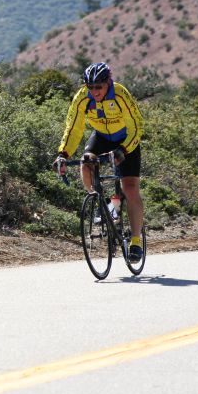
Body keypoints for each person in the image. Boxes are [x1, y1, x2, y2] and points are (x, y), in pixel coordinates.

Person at [53, 61, 145, 262]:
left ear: (108, 82)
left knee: (129, 187)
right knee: (86, 162)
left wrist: (123, 150)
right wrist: (63, 154)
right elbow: (73, 128)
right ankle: (102, 204)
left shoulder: (121, 94)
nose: (95, 91)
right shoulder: (82, 98)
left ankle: (136, 241)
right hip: (102, 136)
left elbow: (137, 126)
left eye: (99, 87)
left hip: (126, 139)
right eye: (91, 87)